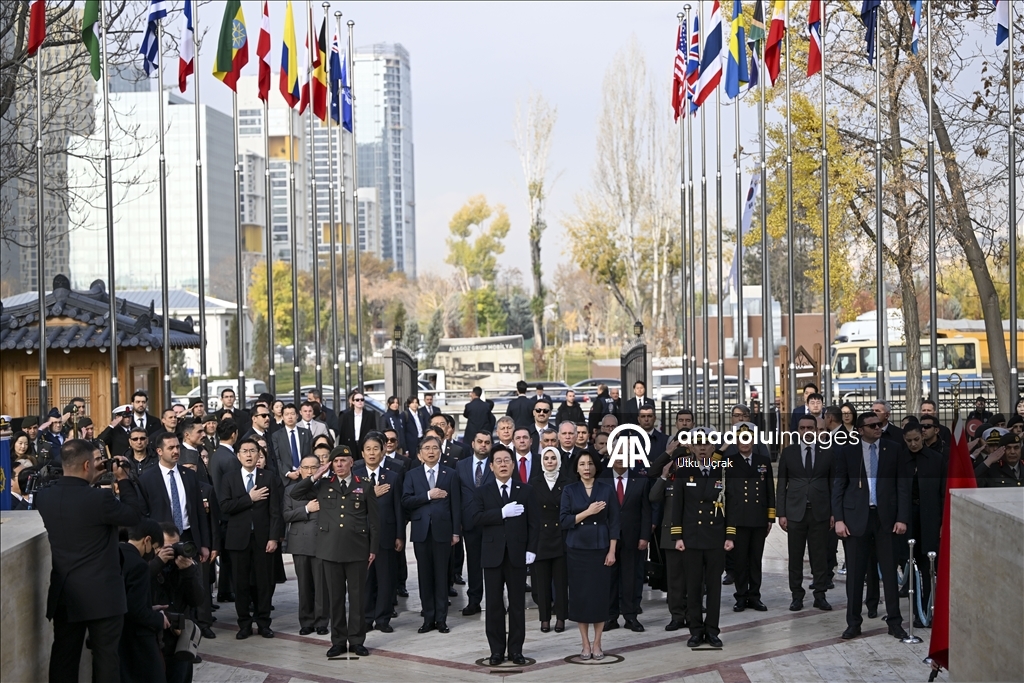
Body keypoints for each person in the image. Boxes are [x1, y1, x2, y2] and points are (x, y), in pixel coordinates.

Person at [35, 439, 141, 683]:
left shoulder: (44, 497)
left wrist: (91, 477)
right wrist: (123, 478)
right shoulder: (99, 501)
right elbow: (134, 515)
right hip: (102, 595)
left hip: (65, 593)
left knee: (63, 657)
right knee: (106, 659)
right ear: (86, 465)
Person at [291, 445, 378, 658]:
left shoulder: (364, 486)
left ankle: (357, 641)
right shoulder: (322, 485)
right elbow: (295, 493)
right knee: (335, 598)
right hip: (329, 551)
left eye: (343, 461)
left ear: (351, 463)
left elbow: (375, 522)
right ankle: (338, 641)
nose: (339, 465)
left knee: (357, 599)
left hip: (357, 550)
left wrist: (373, 549)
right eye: (335, 461)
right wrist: (315, 475)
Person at [833, 413, 911, 640]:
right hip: (856, 520)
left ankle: (894, 622)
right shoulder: (848, 452)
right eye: (873, 425)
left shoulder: (893, 449)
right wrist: (838, 518)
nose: (879, 428)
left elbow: (902, 487)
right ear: (860, 429)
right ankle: (853, 623)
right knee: (855, 575)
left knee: (889, 572)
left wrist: (902, 518)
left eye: (880, 424)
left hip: (885, 519)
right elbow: (839, 487)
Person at [469, 445, 539, 666]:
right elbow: (475, 518)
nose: (503, 464)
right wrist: (500, 513)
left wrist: (532, 549)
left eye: (506, 460)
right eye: (498, 461)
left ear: (512, 463)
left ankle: (516, 650)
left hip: (518, 554)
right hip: (492, 555)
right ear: (491, 466)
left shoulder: (525, 490)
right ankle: (496, 650)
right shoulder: (482, 491)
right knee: (494, 605)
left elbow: (535, 524)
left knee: (518, 604)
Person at [216, 437, 284, 640]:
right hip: (238, 539)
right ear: (238, 455)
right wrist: (249, 499)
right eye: (244, 451)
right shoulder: (229, 478)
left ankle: (264, 622)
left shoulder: (268, 477)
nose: (248, 454)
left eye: (252, 451)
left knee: (263, 583)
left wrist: (274, 538)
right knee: (241, 583)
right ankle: (244, 623)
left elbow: (275, 512)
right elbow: (225, 507)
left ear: (258, 455)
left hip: (263, 539)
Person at [672, 428, 731, 648]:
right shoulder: (684, 468)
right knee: (694, 587)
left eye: (707, 444)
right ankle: (696, 630)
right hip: (692, 537)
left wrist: (730, 535)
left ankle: (713, 630)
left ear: (714, 447)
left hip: (715, 537)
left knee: (714, 587)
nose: (703, 448)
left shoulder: (722, 469)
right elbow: (677, 505)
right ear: (692, 447)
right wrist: (677, 536)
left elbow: (730, 503)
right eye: (698, 444)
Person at [560, 451, 619, 661]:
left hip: (600, 547)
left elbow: (614, 522)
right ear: (576, 468)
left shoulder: (606, 489)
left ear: (596, 467)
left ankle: (597, 643)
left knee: (599, 597)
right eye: (582, 464)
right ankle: (584, 643)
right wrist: (588, 511)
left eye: (590, 464)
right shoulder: (569, 490)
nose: (586, 467)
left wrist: (612, 550)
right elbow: (565, 520)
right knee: (581, 598)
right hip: (577, 549)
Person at [403, 435, 461, 634]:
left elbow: (456, 505)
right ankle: (428, 618)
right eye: (426, 448)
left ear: (440, 451)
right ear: (419, 453)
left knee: (442, 576)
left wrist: (456, 532)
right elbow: (406, 501)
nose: (431, 451)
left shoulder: (450, 474)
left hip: (443, 532)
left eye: (435, 448)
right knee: (425, 576)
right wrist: (429, 495)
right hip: (421, 532)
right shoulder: (412, 475)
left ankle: (441, 619)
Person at [777, 415, 834, 612]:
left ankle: (820, 594)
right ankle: (796, 595)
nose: (807, 431)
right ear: (798, 430)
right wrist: (781, 513)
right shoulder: (789, 452)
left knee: (819, 555)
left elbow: (832, 483)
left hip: (820, 511)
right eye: (803, 428)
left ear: (816, 430)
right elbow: (781, 484)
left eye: (811, 428)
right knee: (795, 556)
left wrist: (833, 512)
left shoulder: (827, 452)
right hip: (795, 512)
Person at [353, 434, 405, 633]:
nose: (372, 452)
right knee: (365, 580)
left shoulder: (392, 476)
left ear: (383, 450)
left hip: (386, 535)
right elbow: (352, 505)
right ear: (362, 453)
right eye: (368, 449)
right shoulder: (355, 476)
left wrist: (400, 535)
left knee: (386, 579)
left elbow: (398, 508)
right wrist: (371, 493)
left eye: (376, 448)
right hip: (361, 536)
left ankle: (383, 618)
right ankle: (366, 618)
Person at [599, 444, 651, 632]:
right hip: (607, 539)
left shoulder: (641, 479)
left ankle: (631, 617)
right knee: (609, 579)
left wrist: (645, 536)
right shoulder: (602, 479)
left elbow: (646, 510)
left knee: (631, 579)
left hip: (633, 538)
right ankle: (611, 617)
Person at [726, 423, 775, 613]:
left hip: (758, 518)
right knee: (740, 561)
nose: (744, 443)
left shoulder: (763, 461)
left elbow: (770, 490)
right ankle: (741, 596)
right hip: (738, 518)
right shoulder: (729, 461)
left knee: (755, 560)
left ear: (753, 440)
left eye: (748, 438)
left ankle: (755, 596)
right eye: (741, 438)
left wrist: (770, 517)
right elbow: (712, 463)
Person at [899, 422, 944, 627]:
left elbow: (943, 493)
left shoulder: (936, 459)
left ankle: (929, 609)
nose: (913, 444)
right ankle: (917, 611)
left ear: (923, 437)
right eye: (909, 441)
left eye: (916, 439)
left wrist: (943, 521)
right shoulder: (900, 460)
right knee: (911, 564)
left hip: (930, 517)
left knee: (928, 566)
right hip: (908, 517)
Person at [151, 522, 205, 683]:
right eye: (168, 547)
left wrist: (188, 572)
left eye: (176, 545)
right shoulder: (147, 565)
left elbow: (197, 600)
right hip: (156, 637)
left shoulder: (186, 564)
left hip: (180, 638)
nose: (173, 551)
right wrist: (158, 563)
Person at [283, 455, 330, 636]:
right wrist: (306, 510)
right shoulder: (291, 489)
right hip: (299, 542)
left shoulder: (324, 486)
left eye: (314, 467)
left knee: (321, 585)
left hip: (320, 541)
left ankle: (321, 621)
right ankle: (306, 621)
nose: (310, 471)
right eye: (306, 468)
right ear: (299, 469)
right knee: (304, 585)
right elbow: (286, 515)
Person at [118, 519, 168, 683]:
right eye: (154, 549)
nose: (153, 554)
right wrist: (159, 618)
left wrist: (149, 606)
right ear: (147, 540)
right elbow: (136, 611)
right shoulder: (139, 565)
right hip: (136, 640)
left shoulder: (115, 553)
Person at [455, 431, 495, 616]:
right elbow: (457, 496)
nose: (483, 445)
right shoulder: (461, 466)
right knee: (473, 564)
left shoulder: (495, 465)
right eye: (480, 441)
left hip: (492, 522)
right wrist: (458, 523)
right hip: (469, 523)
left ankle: (496, 601)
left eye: (487, 442)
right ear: (472, 443)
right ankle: (474, 601)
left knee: (494, 564)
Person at [530, 447, 569, 634]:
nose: (550, 461)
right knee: (542, 582)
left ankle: (561, 618)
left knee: (561, 582)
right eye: (547, 458)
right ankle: (544, 619)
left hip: (561, 537)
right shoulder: (534, 482)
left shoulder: (567, 482)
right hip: (541, 539)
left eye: (554, 458)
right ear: (542, 461)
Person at [649, 448, 688, 631]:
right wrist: (664, 476)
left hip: (692, 536)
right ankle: (677, 616)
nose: (682, 463)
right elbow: (653, 497)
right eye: (678, 460)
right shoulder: (668, 480)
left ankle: (692, 614)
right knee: (674, 580)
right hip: (671, 536)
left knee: (694, 579)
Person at [272, 404, 313, 486]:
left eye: (292, 414)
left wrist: (302, 469)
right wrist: (287, 473)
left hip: (304, 474)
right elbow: (276, 457)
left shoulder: (306, 433)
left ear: (297, 416)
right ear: (282, 417)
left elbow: (310, 452)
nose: (290, 417)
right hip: (286, 478)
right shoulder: (276, 435)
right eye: (287, 414)